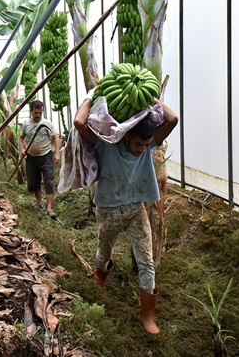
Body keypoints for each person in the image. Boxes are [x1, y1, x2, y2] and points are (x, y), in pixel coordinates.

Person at [73, 89, 178, 335]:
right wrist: (90, 95)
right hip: (107, 210)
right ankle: (100, 279)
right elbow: (79, 122)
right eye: (138, 144)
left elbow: (172, 119)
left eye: (146, 144)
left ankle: (147, 315)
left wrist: (150, 98)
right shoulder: (106, 144)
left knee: (146, 260)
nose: (143, 149)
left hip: (135, 209)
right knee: (104, 250)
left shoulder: (149, 144)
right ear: (126, 136)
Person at [19, 100, 62, 219]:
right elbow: (21, 138)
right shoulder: (26, 124)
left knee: (49, 181)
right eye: (35, 113)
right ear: (31, 111)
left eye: (40, 113)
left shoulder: (47, 124)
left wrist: (57, 153)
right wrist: (22, 149)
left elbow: (56, 137)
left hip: (46, 156)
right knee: (33, 182)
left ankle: (49, 208)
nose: (38, 115)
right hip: (32, 157)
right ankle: (39, 203)